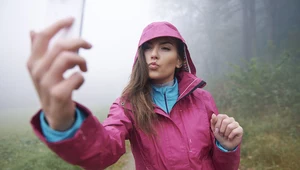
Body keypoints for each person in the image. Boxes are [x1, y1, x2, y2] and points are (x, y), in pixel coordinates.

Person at [27, 17, 243, 170]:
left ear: (179, 60)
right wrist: (66, 124)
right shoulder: (127, 105)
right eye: (147, 48)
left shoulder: (203, 100)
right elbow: (103, 151)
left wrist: (226, 147)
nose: (154, 55)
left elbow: (220, 166)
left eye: (165, 48)